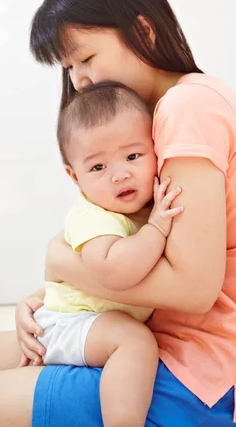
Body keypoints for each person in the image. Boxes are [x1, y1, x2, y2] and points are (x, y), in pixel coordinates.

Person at [0, 0, 236, 427]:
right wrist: (55, 298)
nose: (80, 82)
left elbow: (195, 288)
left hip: (199, 386)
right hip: (161, 348)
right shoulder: (170, 112)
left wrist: (64, 263)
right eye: (69, 68)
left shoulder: (188, 109)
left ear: (142, 32)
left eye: (87, 58)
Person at [30, 81, 183, 427]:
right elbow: (114, 271)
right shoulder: (93, 217)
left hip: (91, 317)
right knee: (135, 342)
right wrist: (157, 229)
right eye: (98, 168)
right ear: (75, 177)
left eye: (133, 156)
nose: (120, 174)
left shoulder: (139, 208)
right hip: (69, 322)